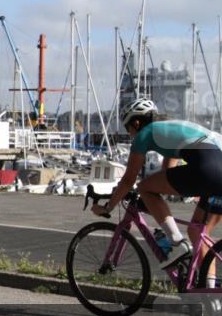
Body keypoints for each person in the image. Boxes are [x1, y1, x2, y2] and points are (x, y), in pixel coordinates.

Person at [93, 98, 222, 269]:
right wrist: (152, 202)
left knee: (144, 187)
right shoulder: (173, 129)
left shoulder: (145, 134)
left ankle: (176, 242)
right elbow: (167, 174)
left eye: (128, 128)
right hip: (216, 168)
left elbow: (128, 180)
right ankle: (210, 291)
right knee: (197, 232)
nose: (130, 134)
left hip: (208, 170)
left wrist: (108, 207)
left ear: (136, 123)